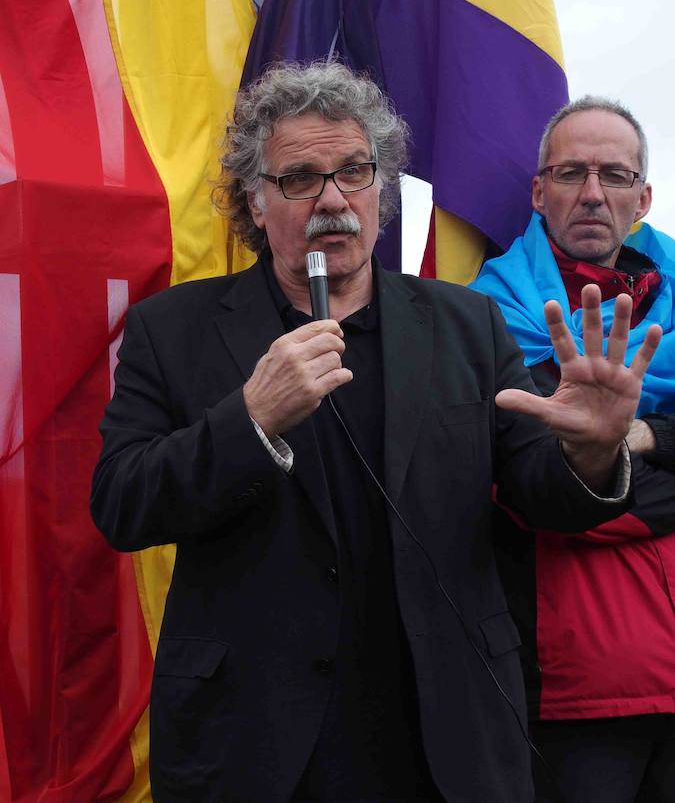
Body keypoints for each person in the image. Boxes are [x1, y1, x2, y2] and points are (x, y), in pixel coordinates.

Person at [91, 65, 660, 803]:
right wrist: (250, 419)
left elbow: (536, 493)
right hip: (254, 737)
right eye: (299, 178)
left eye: (354, 172)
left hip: (444, 730)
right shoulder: (173, 328)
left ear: (380, 191)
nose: (332, 198)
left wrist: (591, 448)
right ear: (256, 203)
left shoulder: (466, 323)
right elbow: (122, 505)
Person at [472, 96, 675, 802]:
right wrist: (607, 476)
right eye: (570, 173)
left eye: (614, 176)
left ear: (642, 196)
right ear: (537, 192)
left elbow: (592, 476)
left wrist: (642, 438)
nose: (592, 193)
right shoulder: (485, 320)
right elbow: (531, 497)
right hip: (575, 692)